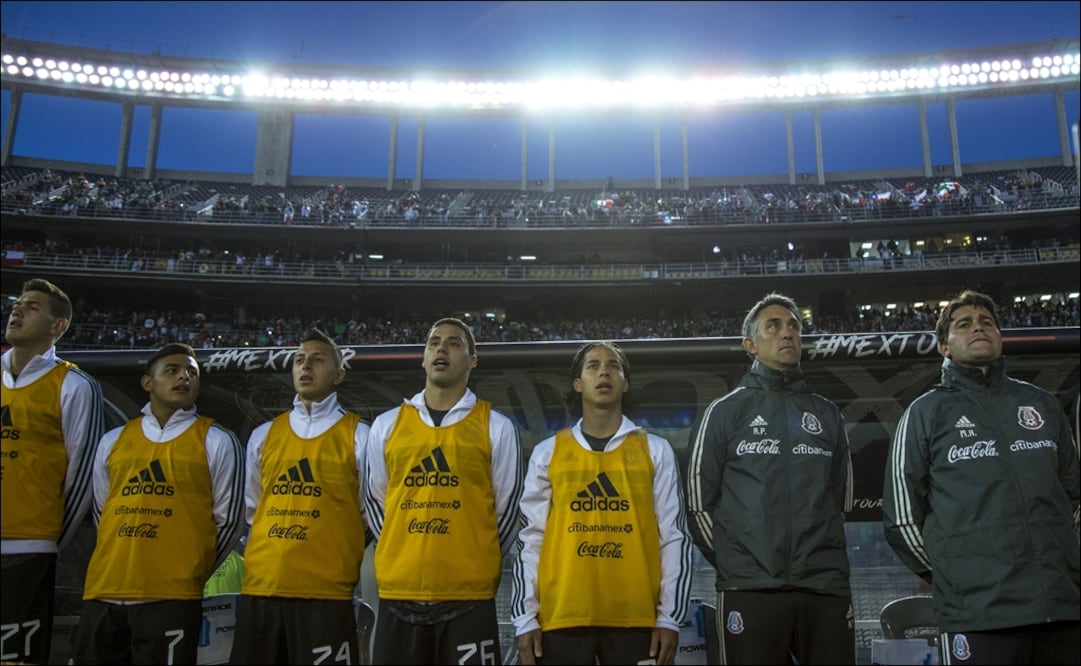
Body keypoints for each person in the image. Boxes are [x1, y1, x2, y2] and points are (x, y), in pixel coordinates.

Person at [883, 289, 1080, 665]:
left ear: (1000, 336)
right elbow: (902, 519)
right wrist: (954, 575)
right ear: (943, 346)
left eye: (987, 322)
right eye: (964, 324)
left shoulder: (1042, 405)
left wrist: (1060, 559)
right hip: (977, 613)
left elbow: (1074, 495)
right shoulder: (925, 413)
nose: (978, 328)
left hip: (1061, 607)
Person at [685, 292, 855, 664]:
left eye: (794, 325)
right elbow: (698, 505)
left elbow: (841, 503)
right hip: (749, 587)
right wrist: (738, 560)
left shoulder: (827, 414)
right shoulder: (724, 412)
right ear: (750, 344)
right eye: (773, 326)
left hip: (823, 587)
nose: (787, 333)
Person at [511, 341, 693, 665]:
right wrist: (524, 616)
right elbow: (530, 540)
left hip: (637, 619)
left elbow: (674, 536)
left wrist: (669, 616)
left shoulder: (656, 450)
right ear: (578, 384)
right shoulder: (547, 452)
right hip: (561, 617)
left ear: (625, 383)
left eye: (613, 366)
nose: (604, 371)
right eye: (592, 366)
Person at [363, 317, 523, 665]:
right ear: (423, 357)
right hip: (398, 593)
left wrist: (475, 558)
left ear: (472, 360)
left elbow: (508, 510)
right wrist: (400, 548)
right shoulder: (387, 425)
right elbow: (376, 502)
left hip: (469, 597)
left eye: (453, 343)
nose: (441, 348)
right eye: (434, 342)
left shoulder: (496, 427)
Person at [72, 342, 245, 665]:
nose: (184, 377)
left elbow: (230, 522)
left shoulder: (217, 440)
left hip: (172, 596)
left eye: (192, 372)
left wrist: (188, 573)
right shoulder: (113, 441)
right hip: (103, 590)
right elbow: (102, 512)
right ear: (147, 383)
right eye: (172, 370)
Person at [229, 328, 371, 664]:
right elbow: (254, 510)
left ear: (339, 374)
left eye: (317, 360)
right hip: (261, 589)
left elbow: (369, 512)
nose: (305, 366)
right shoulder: (265, 435)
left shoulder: (360, 436)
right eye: (299, 360)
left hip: (326, 593)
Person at [1, 278, 105, 664]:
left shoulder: (75, 385)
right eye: (17, 303)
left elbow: (82, 477)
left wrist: (47, 539)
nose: (17, 310)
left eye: (31, 307)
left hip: (28, 548)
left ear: (57, 326)